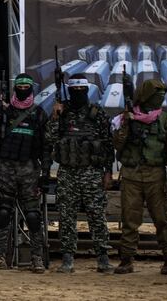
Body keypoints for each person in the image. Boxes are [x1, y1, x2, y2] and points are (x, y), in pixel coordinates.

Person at [46, 74, 114, 273]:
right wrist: (55, 117)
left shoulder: (96, 113)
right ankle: (68, 258)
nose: (77, 94)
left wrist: (108, 172)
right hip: (67, 172)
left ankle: (102, 257)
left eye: (81, 90)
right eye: (74, 90)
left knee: (96, 215)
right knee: (66, 216)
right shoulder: (62, 112)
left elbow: (108, 145)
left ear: (87, 90)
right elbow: (49, 139)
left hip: (92, 172)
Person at [111, 78, 167, 274]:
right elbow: (117, 144)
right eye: (157, 96)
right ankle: (126, 259)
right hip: (132, 175)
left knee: (162, 219)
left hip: (155, 176)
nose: (160, 99)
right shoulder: (127, 117)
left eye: (162, 96)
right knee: (129, 220)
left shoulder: (165, 121)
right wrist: (125, 122)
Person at [0, 73, 49, 273]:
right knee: (3, 213)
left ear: (31, 88)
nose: (22, 88)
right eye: (19, 85)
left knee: (33, 216)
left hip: (29, 170)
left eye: (26, 86)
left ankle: (37, 257)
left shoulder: (38, 114)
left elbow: (46, 146)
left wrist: (45, 173)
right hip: (6, 169)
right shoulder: (5, 112)